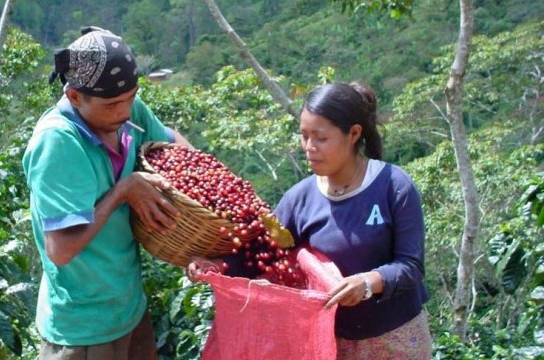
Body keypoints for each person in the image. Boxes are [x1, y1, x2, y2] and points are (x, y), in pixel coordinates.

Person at [188, 82, 431, 359]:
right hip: (330, 342)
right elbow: (260, 254)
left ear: (353, 134)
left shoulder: (393, 186)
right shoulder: (300, 199)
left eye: (321, 138)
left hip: (396, 339)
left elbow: (410, 266)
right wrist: (217, 265)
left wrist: (367, 283)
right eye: (304, 136)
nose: (309, 147)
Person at [22, 26, 190, 360]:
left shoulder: (129, 111)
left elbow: (173, 149)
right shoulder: (58, 143)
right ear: (74, 97)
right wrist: (123, 191)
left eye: (130, 98)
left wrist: (206, 180)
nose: (124, 112)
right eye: (112, 104)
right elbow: (61, 249)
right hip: (83, 329)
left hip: (128, 308)